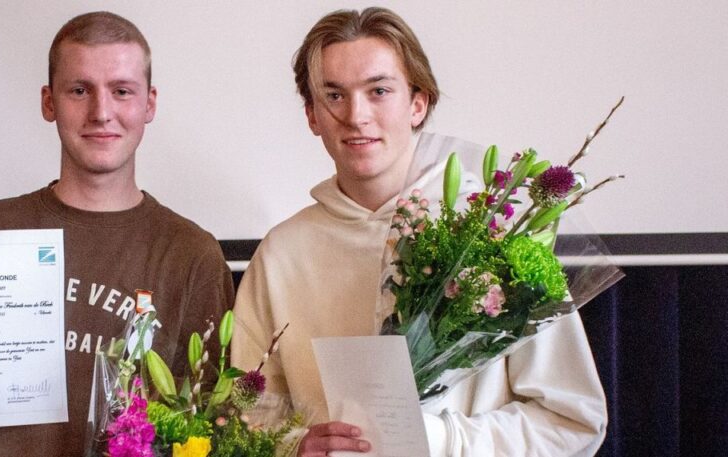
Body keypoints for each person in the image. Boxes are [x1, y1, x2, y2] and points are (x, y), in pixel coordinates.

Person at [231, 7, 607, 457]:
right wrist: (295, 447)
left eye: (379, 91)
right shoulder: (281, 254)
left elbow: (572, 422)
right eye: (333, 95)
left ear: (418, 103)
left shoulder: (491, 238)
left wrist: (446, 440)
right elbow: (244, 416)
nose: (356, 115)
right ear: (312, 115)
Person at [0, 11, 234, 456]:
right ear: (49, 102)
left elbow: (212, 424)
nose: (101, 112)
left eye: (121, 91)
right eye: (79, 90)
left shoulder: (191, 254)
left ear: (149, 104)